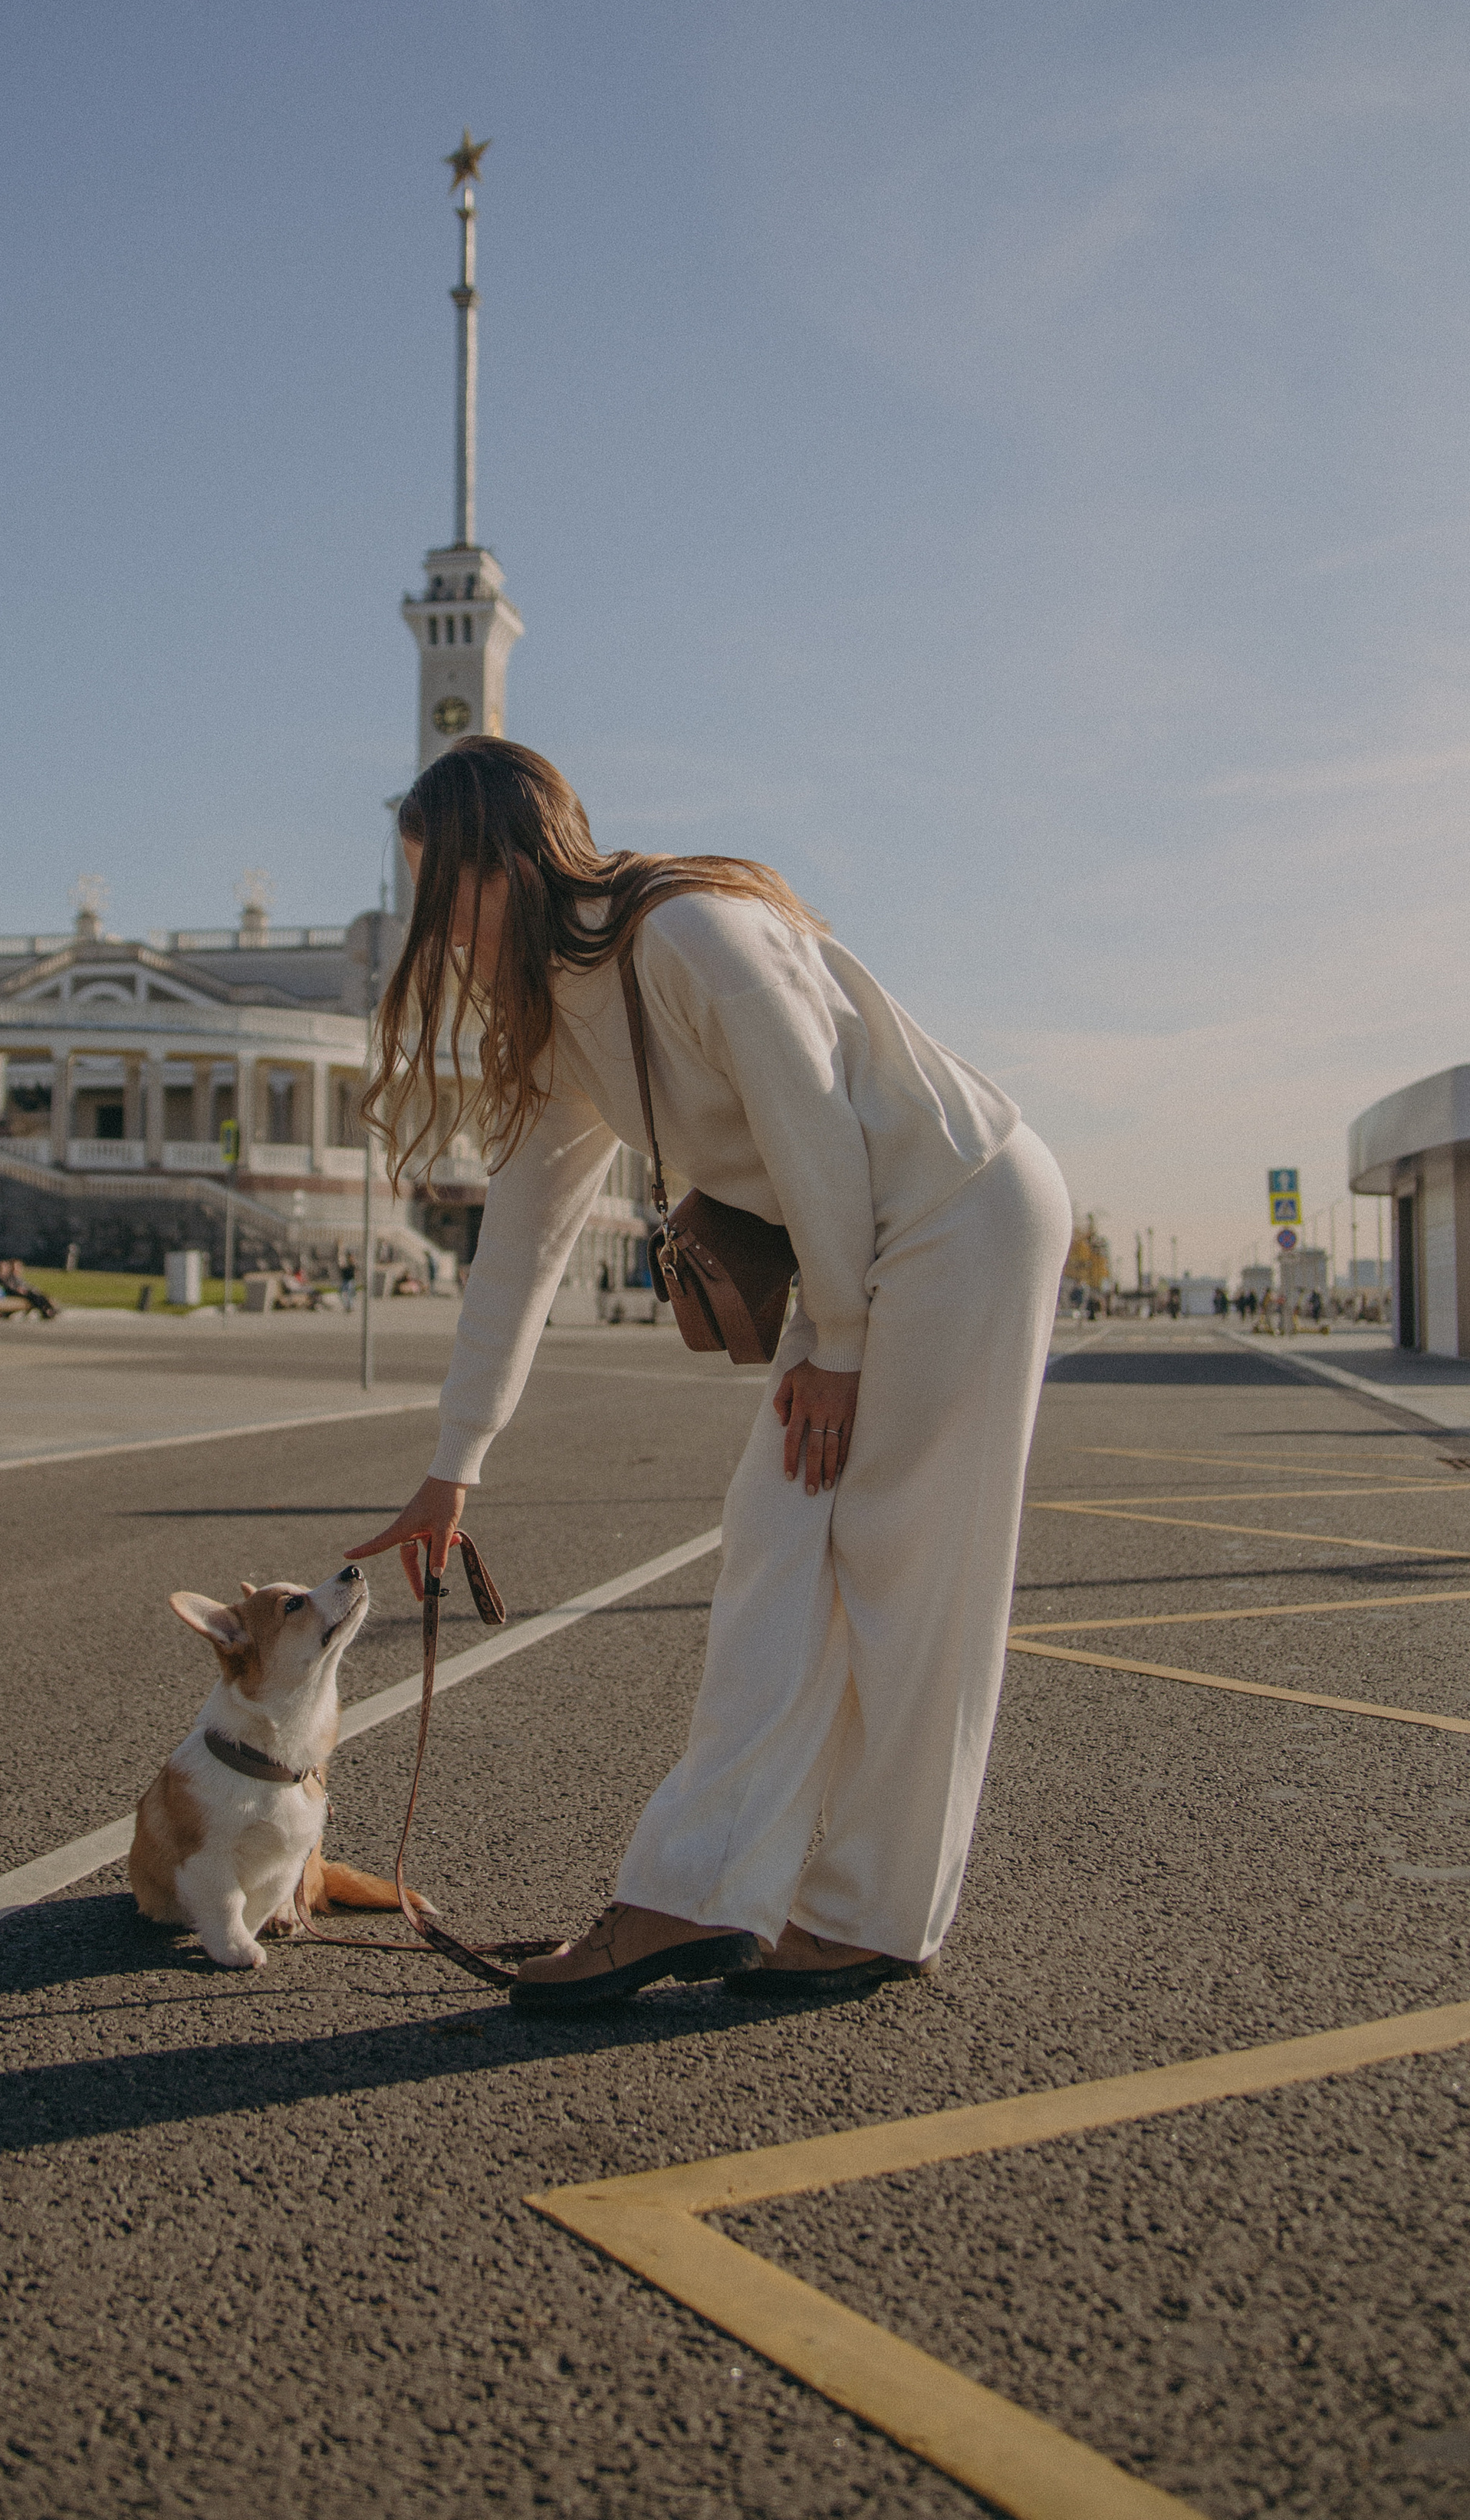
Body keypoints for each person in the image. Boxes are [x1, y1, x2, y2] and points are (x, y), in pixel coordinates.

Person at [357, 741, 1070, 2012]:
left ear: (512, 860)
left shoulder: (691, 936)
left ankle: (858, 1913)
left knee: (911, 1566)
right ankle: (704, 1897)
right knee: (779, 1545)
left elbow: (815, 1131)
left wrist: (839, 1351)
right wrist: (451, 1468)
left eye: (443, 889)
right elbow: (518, 1251)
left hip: (960, 1211)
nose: (437, 928)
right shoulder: (562, 1018)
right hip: (868, 1242)